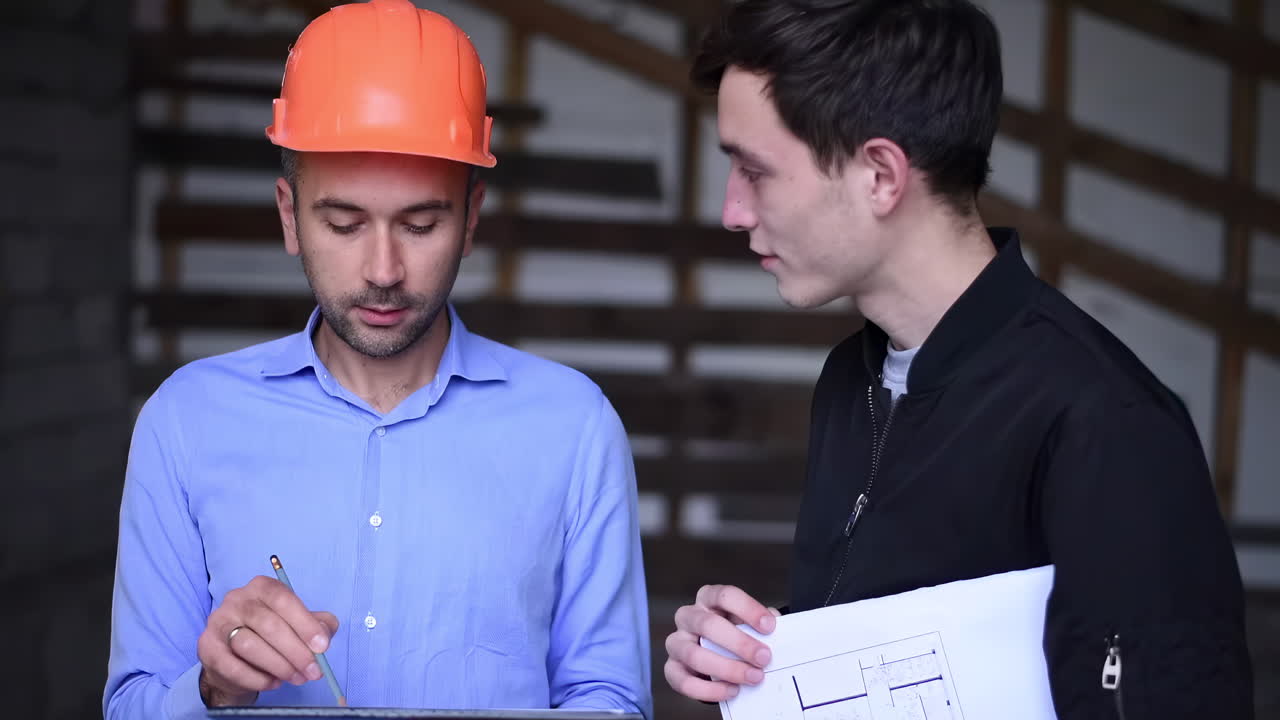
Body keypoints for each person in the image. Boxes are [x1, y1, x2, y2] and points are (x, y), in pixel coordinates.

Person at [662, 1, 1253, 717]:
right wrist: (760, 662)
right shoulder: (852, 382)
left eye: (754, 170)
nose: (732, 211)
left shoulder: (1108, 422)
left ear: (880, 174)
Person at [104, 2, 651, 718]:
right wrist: (215, 688)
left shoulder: (574, 428)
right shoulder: (185, 423)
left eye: (421, 224)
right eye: (343, 223)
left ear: (472, 219)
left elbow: (610, 702)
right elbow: (131, 707)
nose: (384, 269)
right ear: (287, 216)